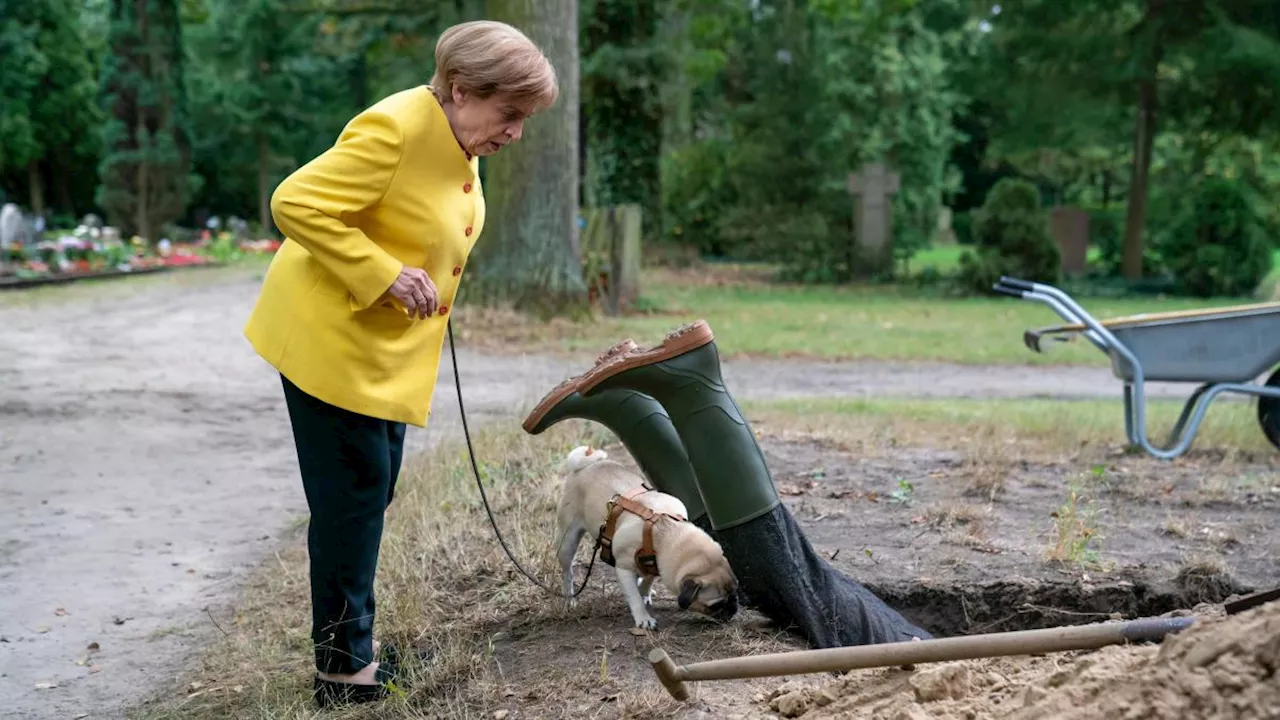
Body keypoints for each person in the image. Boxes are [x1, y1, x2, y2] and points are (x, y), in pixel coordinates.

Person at [243, 20, 559, 708]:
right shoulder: (395, 128)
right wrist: (382, 272)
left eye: (525, 118)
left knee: (368, 492)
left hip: (376, 350)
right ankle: (343, 674)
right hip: (331, 342)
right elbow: (293, 201)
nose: (516, 132)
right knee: (353, 501)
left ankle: (348, 648)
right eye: (510, 114)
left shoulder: (454, 132)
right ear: (460, 89)